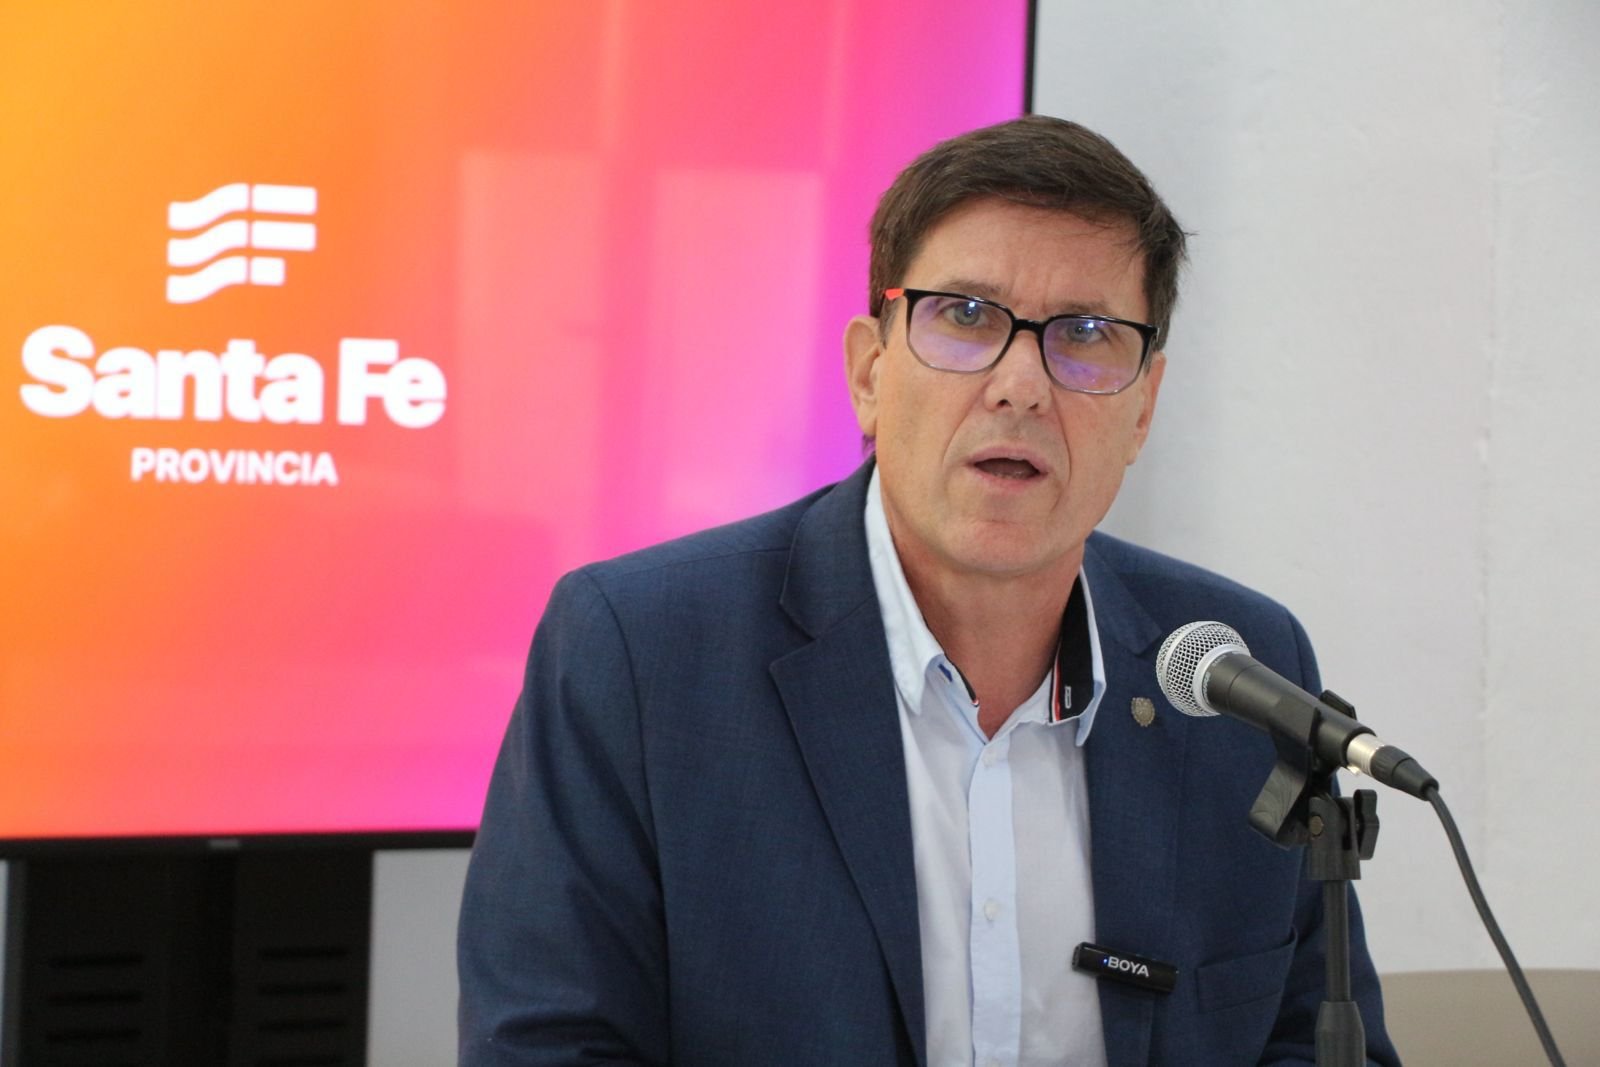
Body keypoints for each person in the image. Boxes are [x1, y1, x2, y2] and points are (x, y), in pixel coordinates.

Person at [457, 115, 1400, 1067]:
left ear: (1144, 406)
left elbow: (1312, 1042)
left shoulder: (1238, 671)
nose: (1022, 385)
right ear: (871, 371)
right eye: (966, 316)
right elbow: (547, 1047)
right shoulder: (640, 651)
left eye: (1085, 335)